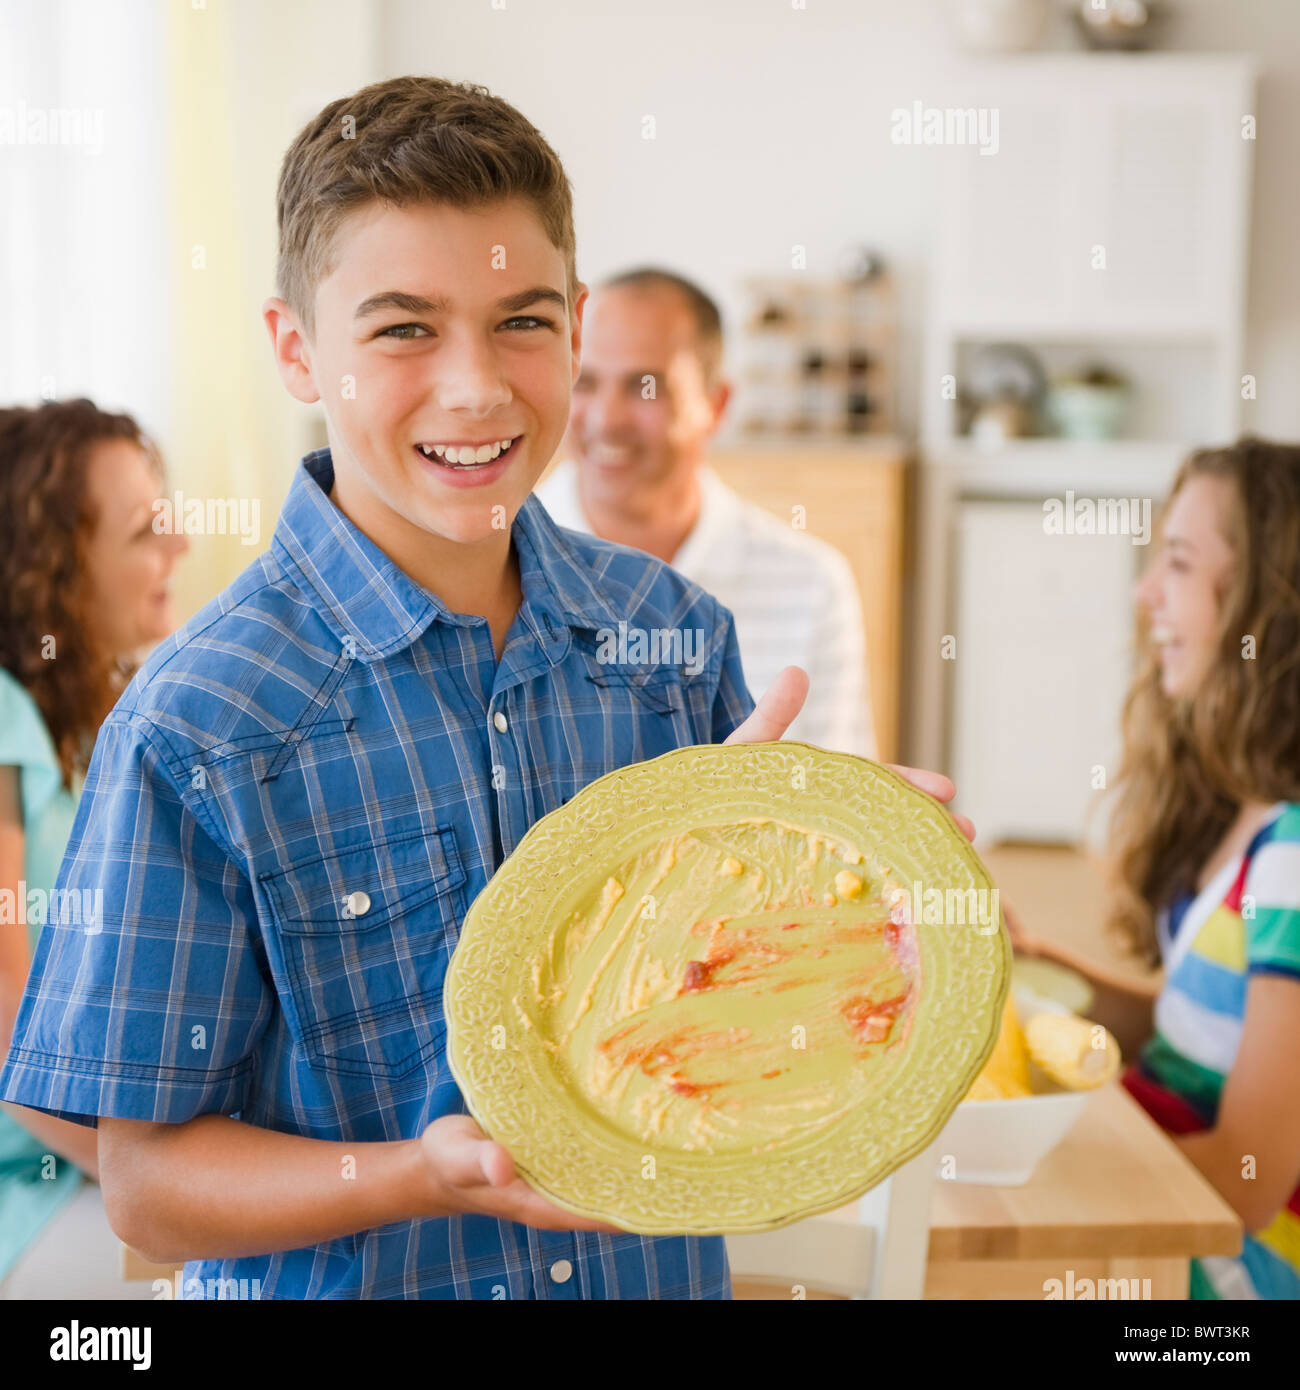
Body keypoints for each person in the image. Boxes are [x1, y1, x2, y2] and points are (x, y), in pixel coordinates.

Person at [0, 76, 969, 1300]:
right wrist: (425, 1171)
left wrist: (861, 901)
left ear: (574, 321)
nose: (476, 386)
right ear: (297, 349)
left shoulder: (672, 636)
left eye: (521, 321)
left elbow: (741, 1018)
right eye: (404, 327)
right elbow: (148, 1187)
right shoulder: (199, 724)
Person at [1010, 438, 1300, 1300]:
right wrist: (1037, 963)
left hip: (1234, 1274)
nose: (1145, 597)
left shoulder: (1290, 856)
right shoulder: (1248, 815)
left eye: (1176, 563)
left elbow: (1247, 1180)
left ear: (1267, 607)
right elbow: (1191, 1029)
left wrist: (1055, 1150)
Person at [0, 398, 188, 1298]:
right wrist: (157, 1181)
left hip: (92, 1156)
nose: (180, 548)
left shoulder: (102, 716)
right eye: (147, 530)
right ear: (51, 567)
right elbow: (0, 1008)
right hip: (31, 1183)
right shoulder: (2, 711)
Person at [535, 268, 876, 757]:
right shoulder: (493, 563)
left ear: (716, 405)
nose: (607, 419)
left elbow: (839, 802)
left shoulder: (811, 583)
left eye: (645, 387)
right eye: (584, 382)